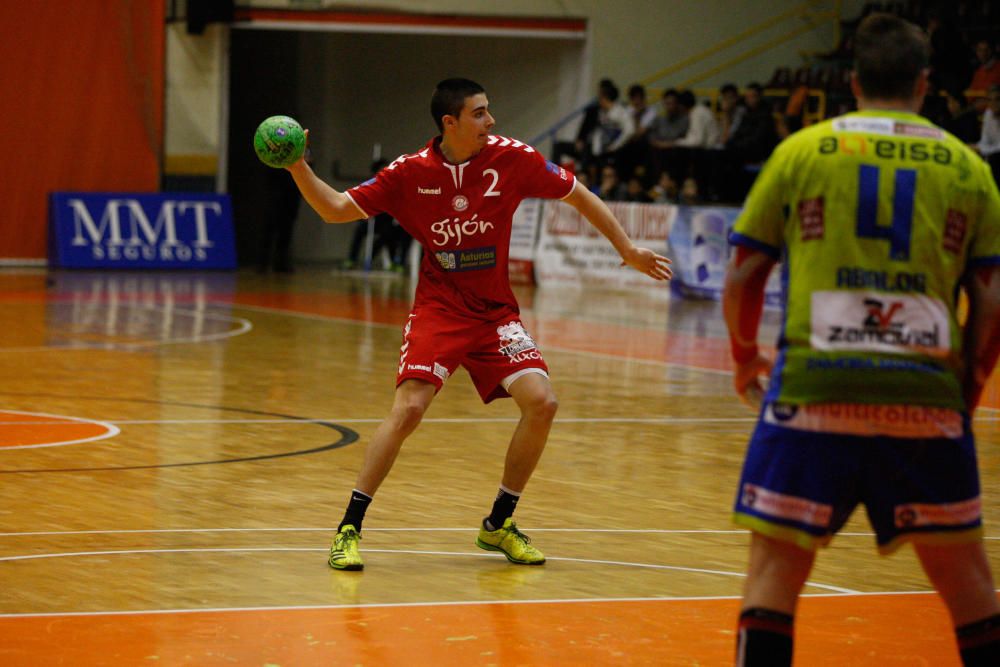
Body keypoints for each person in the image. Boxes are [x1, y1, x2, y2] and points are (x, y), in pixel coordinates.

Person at [286, 78, 672, 571]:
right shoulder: (410, 173)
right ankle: (349, 528)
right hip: (440, 311)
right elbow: (335, 209)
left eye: (490, 111)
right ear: (451, 123)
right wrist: (298, 165)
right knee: (408, 410)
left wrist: (627, 249)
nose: (491, 122)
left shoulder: (513, 158)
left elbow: (579, 194)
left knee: (543, 402)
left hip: (494, 314)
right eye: (480, 113)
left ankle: (498, 525)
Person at [722, 14, 1000, 666]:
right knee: (969, 583)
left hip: (814, 389)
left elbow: (743, 274)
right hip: (926, 394)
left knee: (774, 574)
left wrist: (742, 358)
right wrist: (968, 390)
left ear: (851, 82)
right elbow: (991, 302)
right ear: (925, 83)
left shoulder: (802, 151)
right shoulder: (968, 166)